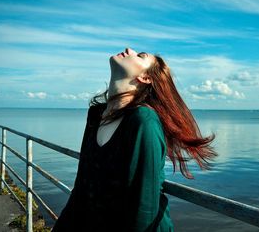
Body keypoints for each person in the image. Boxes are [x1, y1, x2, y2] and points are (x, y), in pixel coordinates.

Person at [52, 47, 218, 231]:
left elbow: (144, 209)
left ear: (146, 78)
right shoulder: (96, 115)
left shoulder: (143, 121)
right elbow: (82, 186)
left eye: (140, 56)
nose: (128, 49)